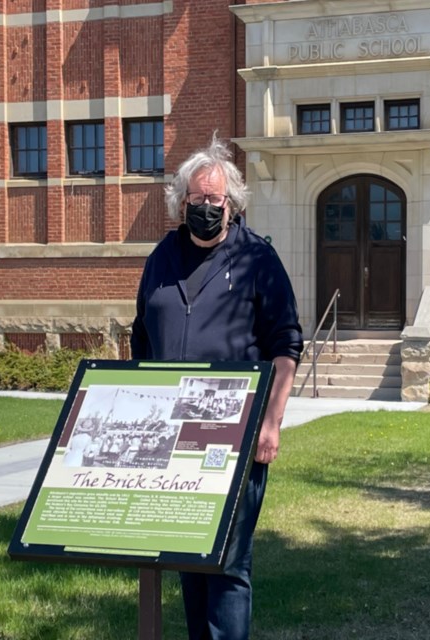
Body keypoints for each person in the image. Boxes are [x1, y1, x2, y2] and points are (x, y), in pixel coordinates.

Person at [131, 135, 304, 640]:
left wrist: (271, 422)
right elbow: (142, 338)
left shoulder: (257, 259)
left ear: (232, 203)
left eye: (215, 200)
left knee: (227, 564)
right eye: (196, 200)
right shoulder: (161, 258)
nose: (206, 208)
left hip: (236, 438)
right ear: (180, 203)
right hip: (168, 439)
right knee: (187, 557)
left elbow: (286, 344)